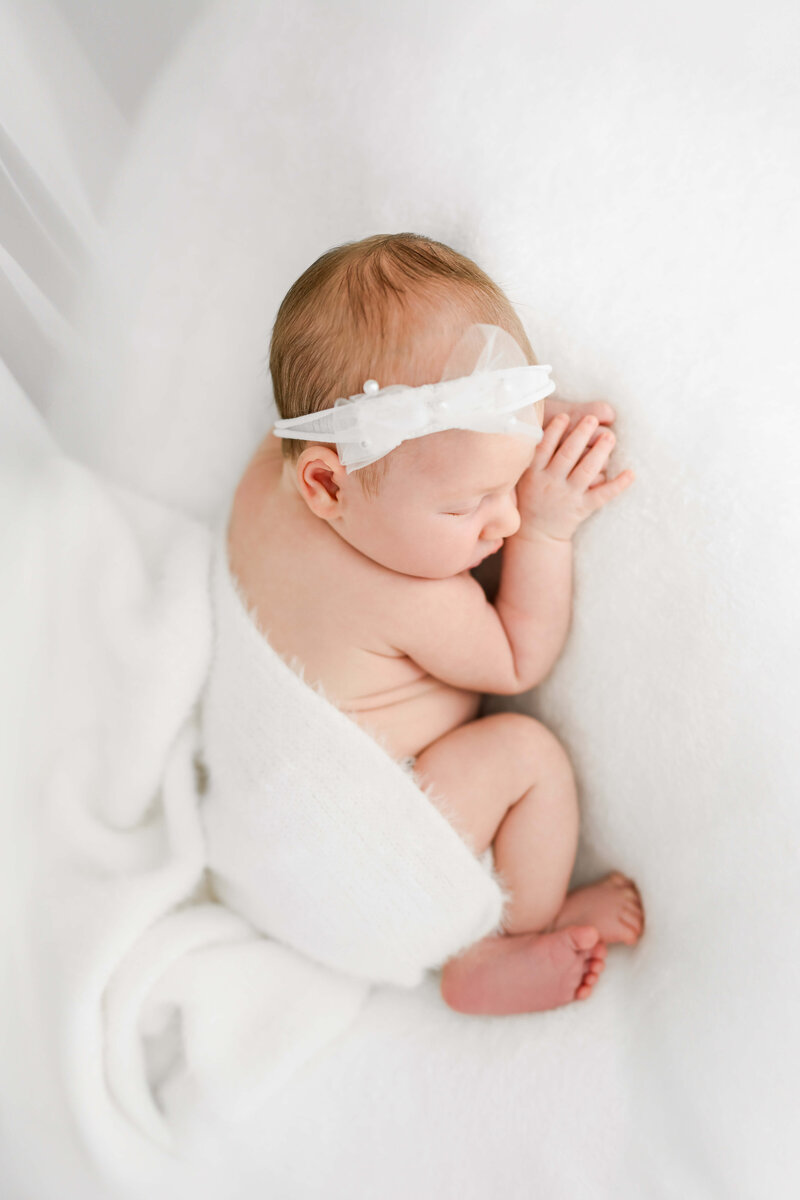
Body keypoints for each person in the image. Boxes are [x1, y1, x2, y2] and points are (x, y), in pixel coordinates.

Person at [227, 232, 644, 1015]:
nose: (506, 517)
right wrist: (547, 534)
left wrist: (521, 430)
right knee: (528, 755)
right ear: (328, 484)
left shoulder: (278, 469)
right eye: (467, 506)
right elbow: (521, 658)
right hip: (358, 856)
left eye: (517, 479)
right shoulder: (406, 593)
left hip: (263, 860)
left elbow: (445, 428)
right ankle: (497, 942)